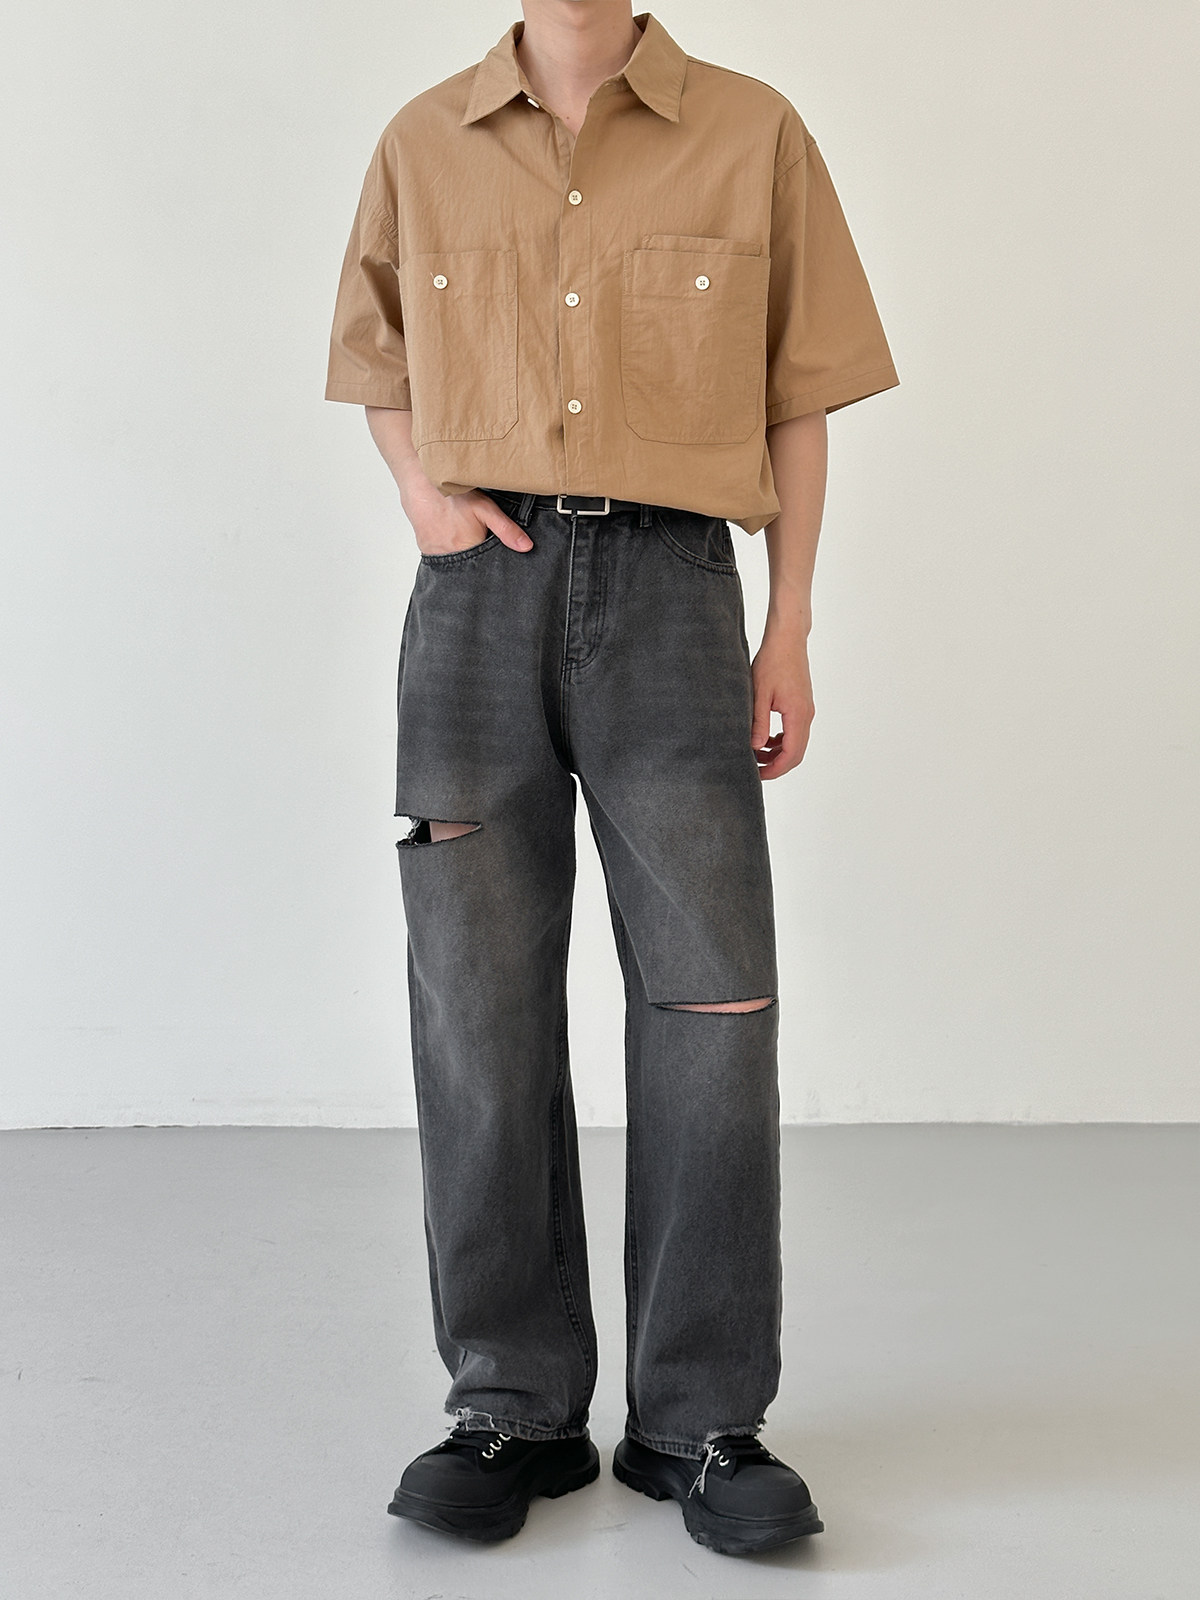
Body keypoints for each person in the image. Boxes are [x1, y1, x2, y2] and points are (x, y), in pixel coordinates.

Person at [324, 0, 898, 1559]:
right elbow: (376, 358)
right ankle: (509, 1405)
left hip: (674, 594)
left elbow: (797, 392)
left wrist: (788, 624)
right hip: (476, 601)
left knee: (713, 1006)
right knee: (476, 1004)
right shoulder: (423, 142)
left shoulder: (754, 131)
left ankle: (698, 1420)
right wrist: (423, 493)